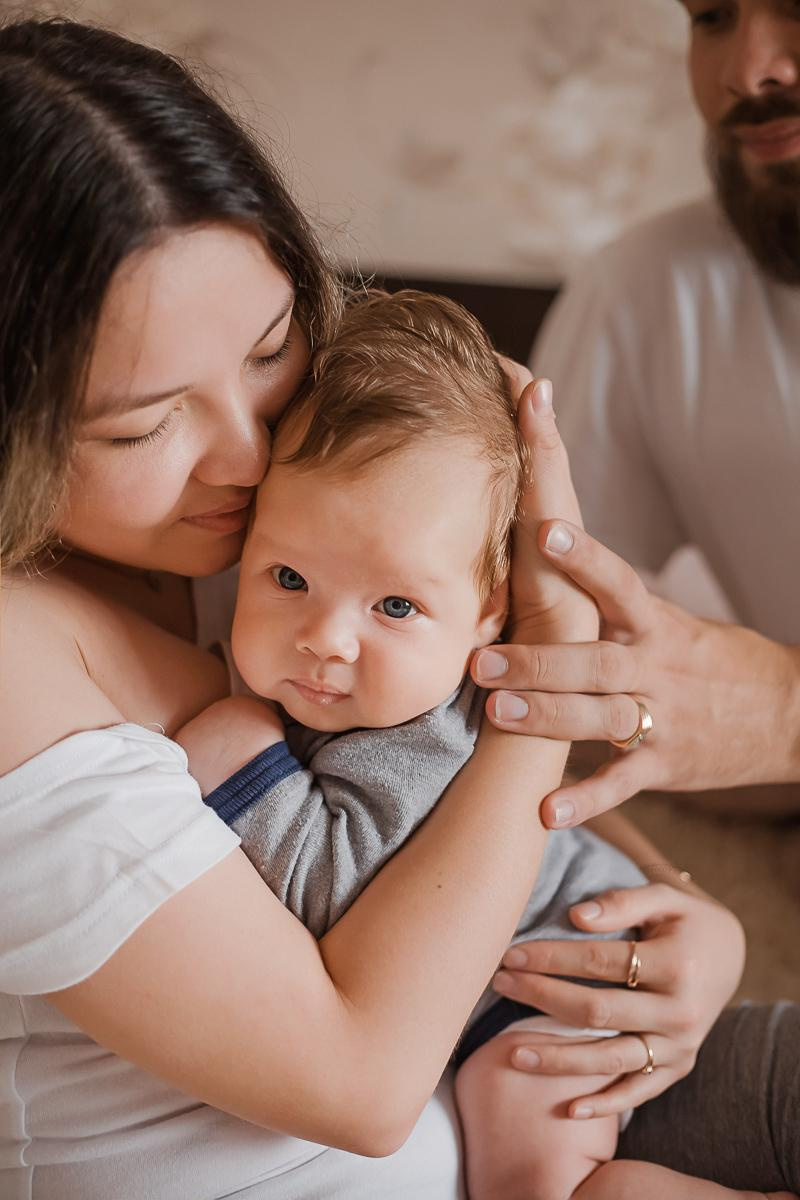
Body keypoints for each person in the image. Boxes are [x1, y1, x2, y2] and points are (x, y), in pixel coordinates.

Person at [0, 15, 795, 1200]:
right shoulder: (21, 652)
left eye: (269, 348)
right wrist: (546, 659)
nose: (249, 453)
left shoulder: (255, 520)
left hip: (555, 1060)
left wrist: (680, 920)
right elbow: (365, 1087)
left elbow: (449, 783)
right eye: (145, 423)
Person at [488, 0, 800, 830]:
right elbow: (557, 644)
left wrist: (786, 712)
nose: (747, 72)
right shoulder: (643, 289)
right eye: (713, 17)